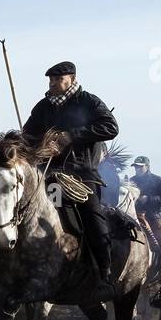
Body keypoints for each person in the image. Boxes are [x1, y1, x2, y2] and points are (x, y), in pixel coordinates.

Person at [21, 60, 121, 299]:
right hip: (47, 173)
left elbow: (111, 127)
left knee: (93, 216)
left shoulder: (89, 101)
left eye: (57, 79)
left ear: (72, 79)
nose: (52, 83)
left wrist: (71, 136)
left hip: (81, 174)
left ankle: (104, 272)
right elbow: (27, 135)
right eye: (50, 80)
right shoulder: (43, 107)